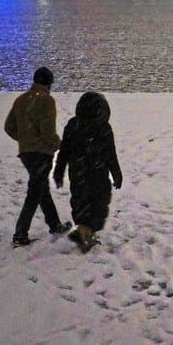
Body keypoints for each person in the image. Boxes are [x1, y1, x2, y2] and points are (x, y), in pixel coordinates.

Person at [4, 66, 71, 247]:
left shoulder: (20, 100)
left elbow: (9, 127)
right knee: (35, 192)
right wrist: (58, 145)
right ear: (49, 83)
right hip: (41, 153)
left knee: (41, 189)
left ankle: (55, 225)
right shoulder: (46, 101)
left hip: (26, 153)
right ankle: (20, 234)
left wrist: (25, 140)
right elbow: (48, 132)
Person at [53, 92, 123, 253]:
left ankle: (84, 230)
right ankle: (87, 234)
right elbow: (110, 154)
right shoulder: (103, 127)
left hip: (78, 173)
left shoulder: (73, 125)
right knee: (98, 204)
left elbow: (64, 152)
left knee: (81, 203)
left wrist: (59, 170)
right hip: (98, 174)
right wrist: (116, 173)